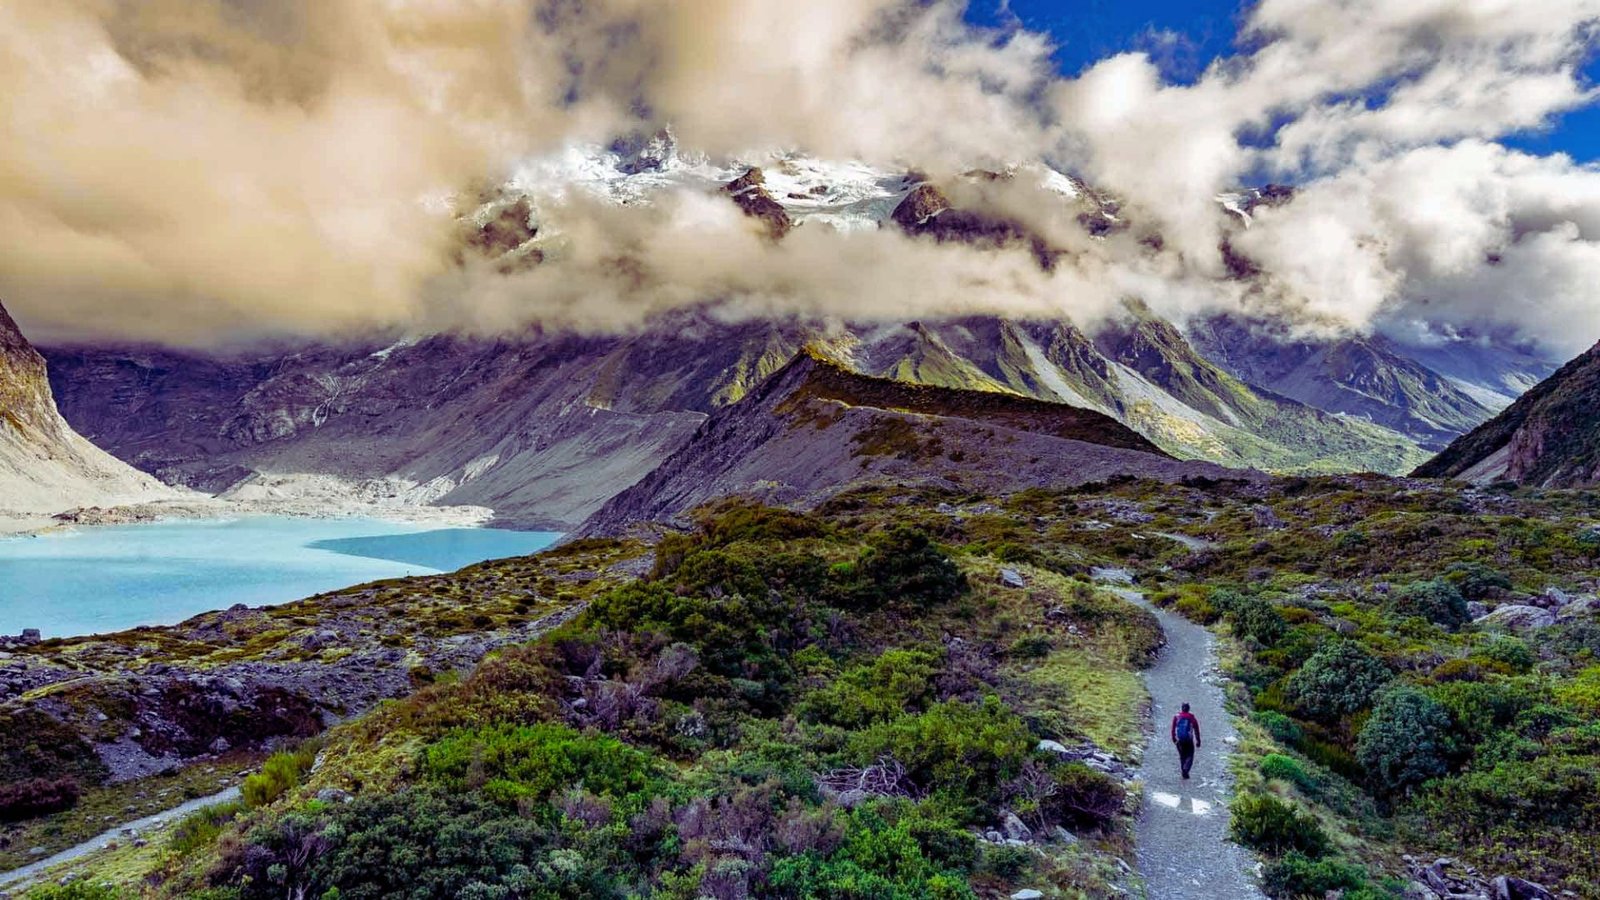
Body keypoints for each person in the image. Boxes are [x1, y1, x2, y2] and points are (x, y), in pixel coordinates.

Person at [1171, 702, 1201, 779]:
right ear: (1189, 709)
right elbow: (1196, 730)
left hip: (1179, 740)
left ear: (1182, 708)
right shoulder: (1192, 718)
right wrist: (1198, 741)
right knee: (1190, 755)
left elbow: (1173, 729)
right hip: (1189, 740)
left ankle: (1183, 771)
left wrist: (1174, 739)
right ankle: (1186, 770)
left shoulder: (1177, 717)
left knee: (1182, 756)